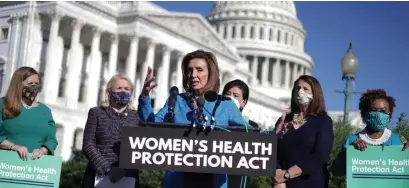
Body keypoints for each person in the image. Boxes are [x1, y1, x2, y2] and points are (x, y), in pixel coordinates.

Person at [138, 49, 247, 188]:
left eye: (199, 70)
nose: (193, 75)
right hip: (178, 180)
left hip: (214, 181)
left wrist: (274, 135)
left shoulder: (226, 105)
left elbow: (248, 136)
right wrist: (145, 97)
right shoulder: (176, 101)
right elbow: (150, 125)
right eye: (189, 70)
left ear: (210, 74)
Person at [272, 75, 334, 188]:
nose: (300, 91)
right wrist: (278, 176)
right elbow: (272, 149)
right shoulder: (284, 120)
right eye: (297, 88)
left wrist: (287, 174)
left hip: (310, 183)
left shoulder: (323, 121)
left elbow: (320, 155)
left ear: (315, 94)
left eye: (305, 89)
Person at [331, 89, 409, 176]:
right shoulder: (352, 141)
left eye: (383, 111)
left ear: (389, 115)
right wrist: (349, 152)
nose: (378, 115)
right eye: (373, 110)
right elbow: (336, 171)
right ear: (364, 113)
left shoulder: (399, 140)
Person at [82, 74, 140, 188]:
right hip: (97, 176)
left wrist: (123, 170)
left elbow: (139, 147)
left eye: (127, 89)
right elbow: (88, 144)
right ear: (109, 91)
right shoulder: (96, 113)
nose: (123, 91)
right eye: (119, 88)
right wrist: (107, 169)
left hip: (128, 178)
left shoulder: (137, 117)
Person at [0, 66, 57, 160]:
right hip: (6, 166)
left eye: (37, 84)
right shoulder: (2, 105)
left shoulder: (45, 111)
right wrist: (14, 147)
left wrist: (43, 150)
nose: (34, 88)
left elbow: (51, 140)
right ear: (18, 85)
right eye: (30, 84)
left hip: (34, 169)